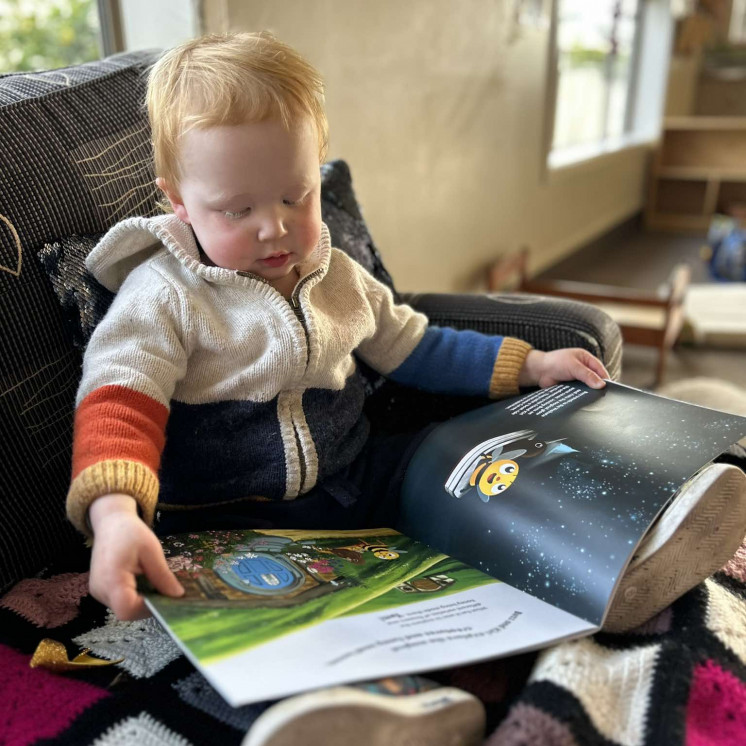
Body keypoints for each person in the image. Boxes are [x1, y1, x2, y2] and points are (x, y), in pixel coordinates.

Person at [66, 32, 746, 746]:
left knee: (475, 467)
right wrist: (116, 513)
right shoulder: (162, 295)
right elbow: (120, 396)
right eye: (236, 210)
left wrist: (530, 367)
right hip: (225, 520)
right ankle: (386, 708)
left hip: (360, 475)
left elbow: (417, 343)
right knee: (263, 602)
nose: (276, 228)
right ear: (176, 201)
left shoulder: (335, 273)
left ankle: (623, 548)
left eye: (296, 195)